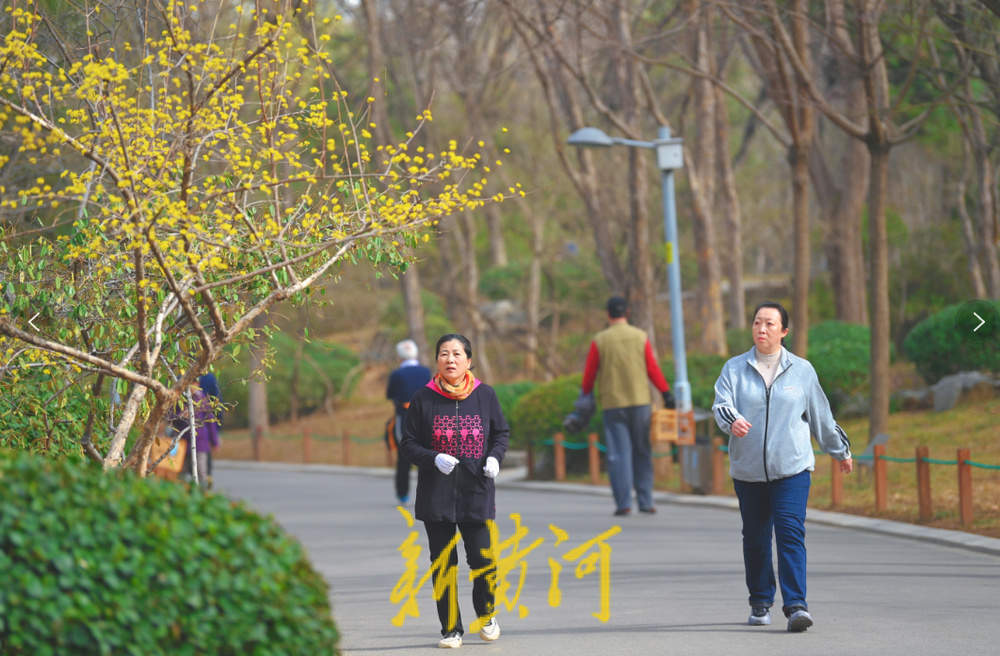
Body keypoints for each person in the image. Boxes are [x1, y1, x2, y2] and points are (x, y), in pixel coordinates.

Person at [712, 302, 853, 633]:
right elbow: (721, 404)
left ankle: (796, 607)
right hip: (749, 471)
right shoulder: (734, 369)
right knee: (756, 537)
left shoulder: (802, 371)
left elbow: (821, 416)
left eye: (770, 324)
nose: (761, 329)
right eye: (757, 323)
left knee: (790, 533)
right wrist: (732, 421)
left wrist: (840, 449)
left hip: (792, 468)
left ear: (784, 332)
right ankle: (760, 600)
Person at [399, 334, 509, 649]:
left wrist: (494, 458)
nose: (451, 359)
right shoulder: (424, 398)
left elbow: (501, 432)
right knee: (443, 563)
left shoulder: (485, 395)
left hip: (476, 491)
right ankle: (451, 630)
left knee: (483, 561)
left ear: (468, 360)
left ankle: (486, 614)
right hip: (437, 495)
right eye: (444, 354)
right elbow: (408, 443)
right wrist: (433, 457)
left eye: (457, 353)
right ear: (437, 361)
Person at [579, 295, 674, 516]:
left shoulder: (600, 340)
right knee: (642, 451)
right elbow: (652, 368)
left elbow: (590, 373)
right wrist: (665, 392)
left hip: (613, 404)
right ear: (627, 313)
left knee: (618, 454)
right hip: (640, 401)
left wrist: (585, 395)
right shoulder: (640, 337)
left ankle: (623, 503)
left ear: (608, 314)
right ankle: (646, 501)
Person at [385, 338, 431, 505]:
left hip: (404, 419)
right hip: (425, 419)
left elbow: (390, 395)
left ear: (400, 357)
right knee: (425, 456)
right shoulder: (426, 372)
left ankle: (403, 494)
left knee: (403, 457)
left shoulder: (396, 374)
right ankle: (426, 493)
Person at [198, 372, 223, 488]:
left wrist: (215, 436)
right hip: (198, 435)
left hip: (202, 436)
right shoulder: (209, 377)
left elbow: (216, 405)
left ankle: (205, 487)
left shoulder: (208, 378)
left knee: (203, 464)